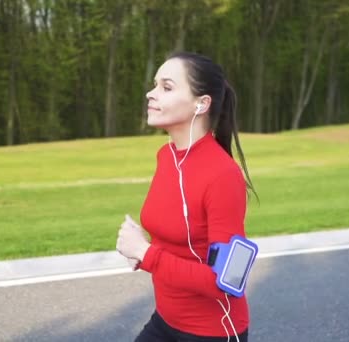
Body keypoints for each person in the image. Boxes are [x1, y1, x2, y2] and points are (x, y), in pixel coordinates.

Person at [116, 51, 256, 342]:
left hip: (212, 331)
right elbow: (179, 238)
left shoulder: (223, 175)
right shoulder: (166, 156)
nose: (150, 94)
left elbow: (226, 282)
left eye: (166, 87)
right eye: (155, 85)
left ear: (201, 104)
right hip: (166, 321)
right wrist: (141, 249)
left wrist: (146, 253)